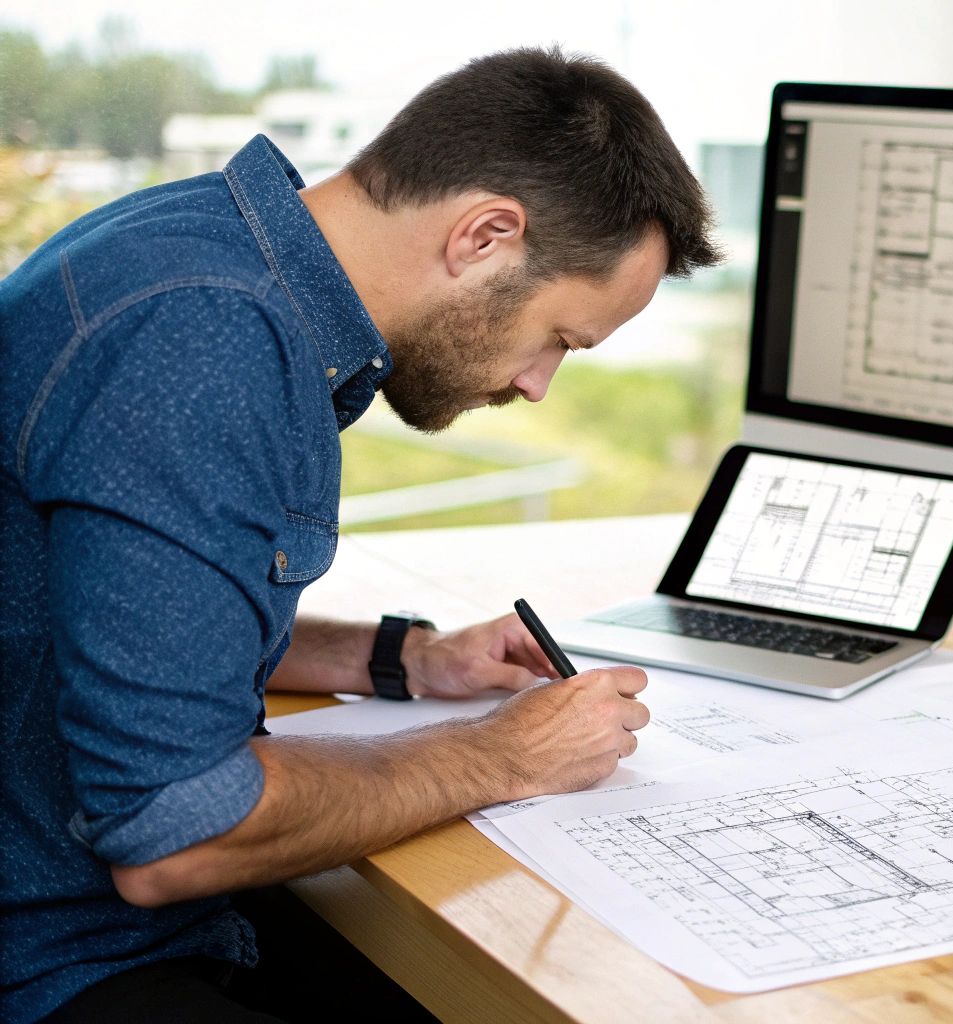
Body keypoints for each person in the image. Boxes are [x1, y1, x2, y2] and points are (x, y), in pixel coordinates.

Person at [0, 47, 723, 1022]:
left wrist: (407, 660)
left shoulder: (203, 247)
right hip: (61, 954)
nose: (536, 383)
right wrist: (502, 756)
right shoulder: (207, 346)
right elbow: (170, 833)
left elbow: (136, 620)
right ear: (484, 236)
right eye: (560, 337)